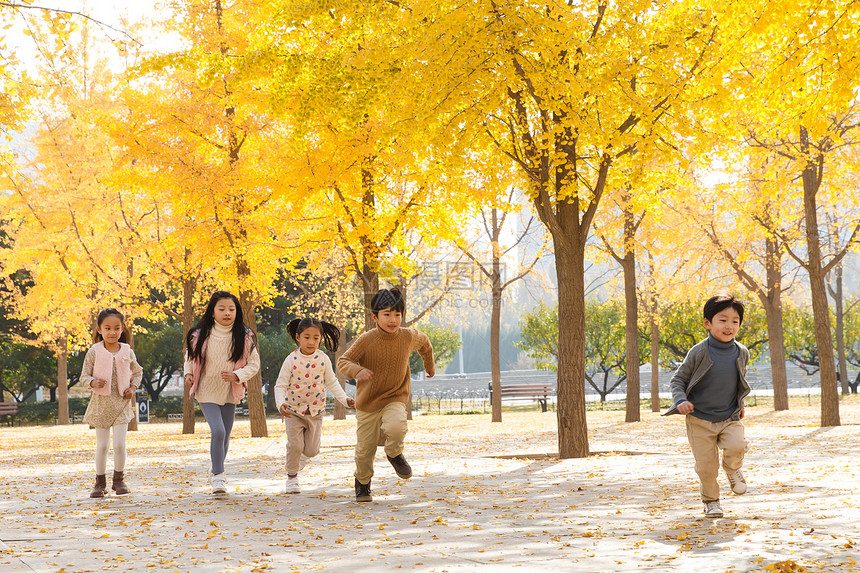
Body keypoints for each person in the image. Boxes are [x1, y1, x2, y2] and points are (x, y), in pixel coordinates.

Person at [337, 287, 435, 502]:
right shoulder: (367, 339)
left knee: (397, 426)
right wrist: (357, 371)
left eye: (397, 314)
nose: (393, 320)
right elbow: (343, 361)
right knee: (365, 450)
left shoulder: (408, 336)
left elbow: (426, 344)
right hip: (367, 404)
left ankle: (394, 453)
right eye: (387, 314)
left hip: (395, 397)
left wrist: (429, 365)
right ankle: (363, 483)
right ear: (375, 317)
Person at [663, 294, 751, 518]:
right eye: (722, 320)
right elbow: (678, 380)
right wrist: (681, 400)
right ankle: (711, 502)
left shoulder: (742, 353)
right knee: (706, 467)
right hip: (699, 419)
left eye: (735, 321)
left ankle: (733, 470)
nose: (729, 325)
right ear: (707, 323)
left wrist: (739, 403)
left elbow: (738, 382)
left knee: (737, 446)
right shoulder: (699, 352)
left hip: (729, 417)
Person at [184, 291, 260, 494]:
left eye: (231, 309)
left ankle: (215, 469)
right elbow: (189, 357)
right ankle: (219, 476)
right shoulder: (199, 335)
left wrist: (237, 375)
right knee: (218, 431)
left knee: (225, 436)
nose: (227, 313)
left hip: (229, 390)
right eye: (222, 309)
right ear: (212, 312)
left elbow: (254, 365)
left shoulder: (245, 336)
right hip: (206, 389)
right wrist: (188, 374)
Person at [274, 318, 356, 494]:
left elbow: (332, 382)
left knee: (311, 451)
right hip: (293, 411)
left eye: (316, 338)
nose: (311, 342)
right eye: (307, 337)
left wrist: (345, 399)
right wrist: (281, 403)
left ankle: (299, 458)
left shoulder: (323, 358)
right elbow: (280, 385)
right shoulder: (291, 359)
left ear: (320, 339)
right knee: (295, 445)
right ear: (298, 337)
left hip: (316, 411)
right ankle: (292, 477)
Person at [80, 308, 143, 498]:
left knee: (120, 445)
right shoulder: (94, 351)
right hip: (101, 404)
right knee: (102, 446)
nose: (112, 332)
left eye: (117, 328)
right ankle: (100, 483)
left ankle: (119, 480)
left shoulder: (127, 350)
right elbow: (83, 376)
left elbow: (138, 373)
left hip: (121, 404)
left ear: (122, 329)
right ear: (99, 329)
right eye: (107, 328)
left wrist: (132, 389)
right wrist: (92, 382)